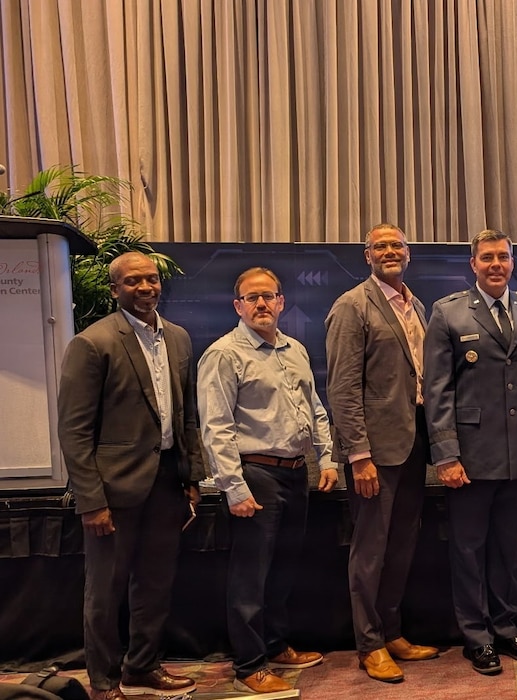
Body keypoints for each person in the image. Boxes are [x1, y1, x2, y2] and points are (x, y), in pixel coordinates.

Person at [57, 252, 205, 700]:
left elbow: (188, 417)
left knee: (156, 583)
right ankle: (103, 683)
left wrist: (191, 476)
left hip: (166, 480)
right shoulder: (93, 342)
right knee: (105, 592)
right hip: (112, 490)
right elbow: (74, 430)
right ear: (115, 289)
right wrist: (92, 501)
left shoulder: (178, 338)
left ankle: (142, 667)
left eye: (152, 279)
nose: (146, 287)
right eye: (133, 281)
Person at [425, 228, 517, 676]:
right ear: (474, 265)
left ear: (512, 261)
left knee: (510, 546)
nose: (496, 265)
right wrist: (446, 455)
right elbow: (438, 390)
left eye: (503, 257)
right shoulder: (448, 313)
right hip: (470, 457)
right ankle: (476, 635)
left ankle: (506, 626)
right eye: (487, 258)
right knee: (468, 549)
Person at [197, 267, 337, 693]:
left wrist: (328, 459)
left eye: (268, 296)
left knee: (282, 569)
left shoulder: (294, 348)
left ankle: (276, 646)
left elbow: (314, 408)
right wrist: (234, 488)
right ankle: (249, 665)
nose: (261, 304)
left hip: (295, 474)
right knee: (250, 577)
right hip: (254, 475)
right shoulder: (224, 354)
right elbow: (215, 427)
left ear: (280, 302)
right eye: (251, 297)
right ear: (238, 306)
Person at [325, 223, 440, 683]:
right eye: (381, 246)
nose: (390, 251)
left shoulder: (417, 306)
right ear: (366, 254)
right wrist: (358, 455)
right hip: (374, 454)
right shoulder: (352, 306)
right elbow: (342, 388)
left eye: (397, 245)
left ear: (408, 253)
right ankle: (369, 644)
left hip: (413, 445)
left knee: (402, 545)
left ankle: (392, 631)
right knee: (370, 550)